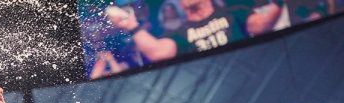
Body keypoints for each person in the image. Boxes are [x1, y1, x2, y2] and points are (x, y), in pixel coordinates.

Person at [107, 0, 284, 61]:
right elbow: (159, 52)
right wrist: (131, 26)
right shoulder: (179, 34)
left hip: (242, 66)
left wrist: (279, 3)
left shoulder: (231, 13)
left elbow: (260, 25)